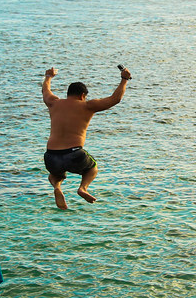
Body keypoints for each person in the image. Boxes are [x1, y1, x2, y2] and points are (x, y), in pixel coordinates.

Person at [42, 65, 131, 209]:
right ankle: (83, 188)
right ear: (83, 95)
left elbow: (46, 91)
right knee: (92, 168)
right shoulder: (87, 106)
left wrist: (48, 77)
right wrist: (124, 79)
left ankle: (57, 188)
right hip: (74, 154)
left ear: (68, 94)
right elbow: (115, 99)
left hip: (51, 155)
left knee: (54, 175)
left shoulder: (53, 103)